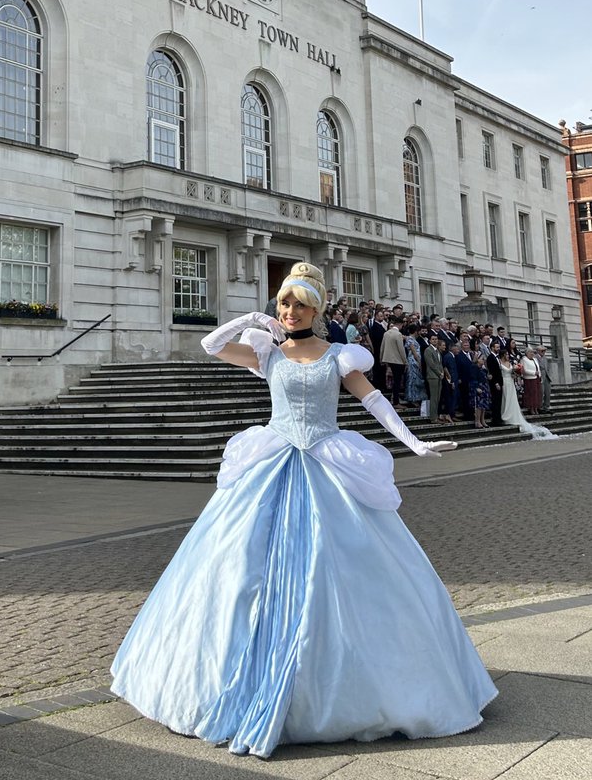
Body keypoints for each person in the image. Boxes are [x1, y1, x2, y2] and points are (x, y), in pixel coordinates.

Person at [110, 261, 496, 757]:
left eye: (299, 304)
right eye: (284, 303)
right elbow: (209, 346)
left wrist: (413, 442)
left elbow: (374, 400)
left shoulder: (340, 354)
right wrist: (251, 319)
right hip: (271, 459)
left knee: (351, 570)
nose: (289, 311)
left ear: (317, 309)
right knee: (235, 568)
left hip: (327, 460)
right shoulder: (265, 352)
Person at [499, 350, 555, 439]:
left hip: (510, 381)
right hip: (504, 382)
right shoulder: (500, 362)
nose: (508, 356)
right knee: (505, 399)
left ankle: (513, 415)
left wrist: (515, 373)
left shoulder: (509, 362)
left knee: (512, 399)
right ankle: (505, 414)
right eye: (506, 354)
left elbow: (514, 371)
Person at [423, 332, 444, 423]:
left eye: (436, 339)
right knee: (434, 397)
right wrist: (439, 373)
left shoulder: (437, 351)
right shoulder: (428, 350)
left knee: (438, 398)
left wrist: (442, 372)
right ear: (430, 340)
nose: (435, 341)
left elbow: (440, 363)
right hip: (433, 376)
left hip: (439, 376)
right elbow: (431, 364)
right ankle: (433, 417)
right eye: (433, 339)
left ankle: (436, 415)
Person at [486, 340, 504, 427]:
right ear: (492, 348)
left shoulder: (498, 357)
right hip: (495, 383)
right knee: (496, 401)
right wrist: (496, 383)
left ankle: (499, 418)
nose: (498, 349)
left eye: (499, 347)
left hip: (500, 381)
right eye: (497, 347)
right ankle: (495, 420)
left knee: (499, 401)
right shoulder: (490, 358)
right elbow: (492, 371)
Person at [520, 346, 542, 417]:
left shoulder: (535, 359)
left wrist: (539, 375)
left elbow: (538, 368)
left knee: (537, 394)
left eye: (533, 352)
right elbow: (524, 370)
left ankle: (536, 407)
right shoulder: (524, 359)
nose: (532, 353)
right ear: (527, 353)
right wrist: (533, 373)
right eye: (531, 352)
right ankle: (531, 408)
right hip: (529, 379)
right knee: (531, 394)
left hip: (536, 378)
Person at [536, 346, 552, 412]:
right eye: (542, 351)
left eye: (544, 351)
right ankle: (540, 407)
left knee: (547, 392)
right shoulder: (535, 358)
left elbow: (547, 367)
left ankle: (546, 406)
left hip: (546, 376)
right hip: (540, 376)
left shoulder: (545, 358)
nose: (543, 352)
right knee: (541, 392)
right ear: (538, 351)